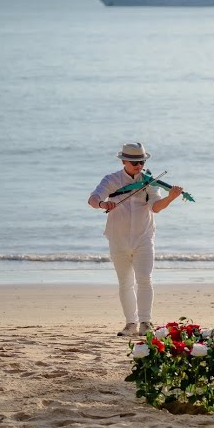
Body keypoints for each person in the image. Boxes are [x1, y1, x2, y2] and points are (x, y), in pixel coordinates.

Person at [88, 142, 184, 337]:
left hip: (143, 237)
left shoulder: (149, 181)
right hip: (118, 238)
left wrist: (171, 197)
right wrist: (102, 203)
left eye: (141, 162)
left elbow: (156, 207)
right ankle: (130, 324)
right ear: (124, 161)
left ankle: (145, 323)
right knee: (125, 282)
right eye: (134, 162)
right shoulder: (111, 179)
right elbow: (92, 199)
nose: (138, 166)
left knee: (145, 279)